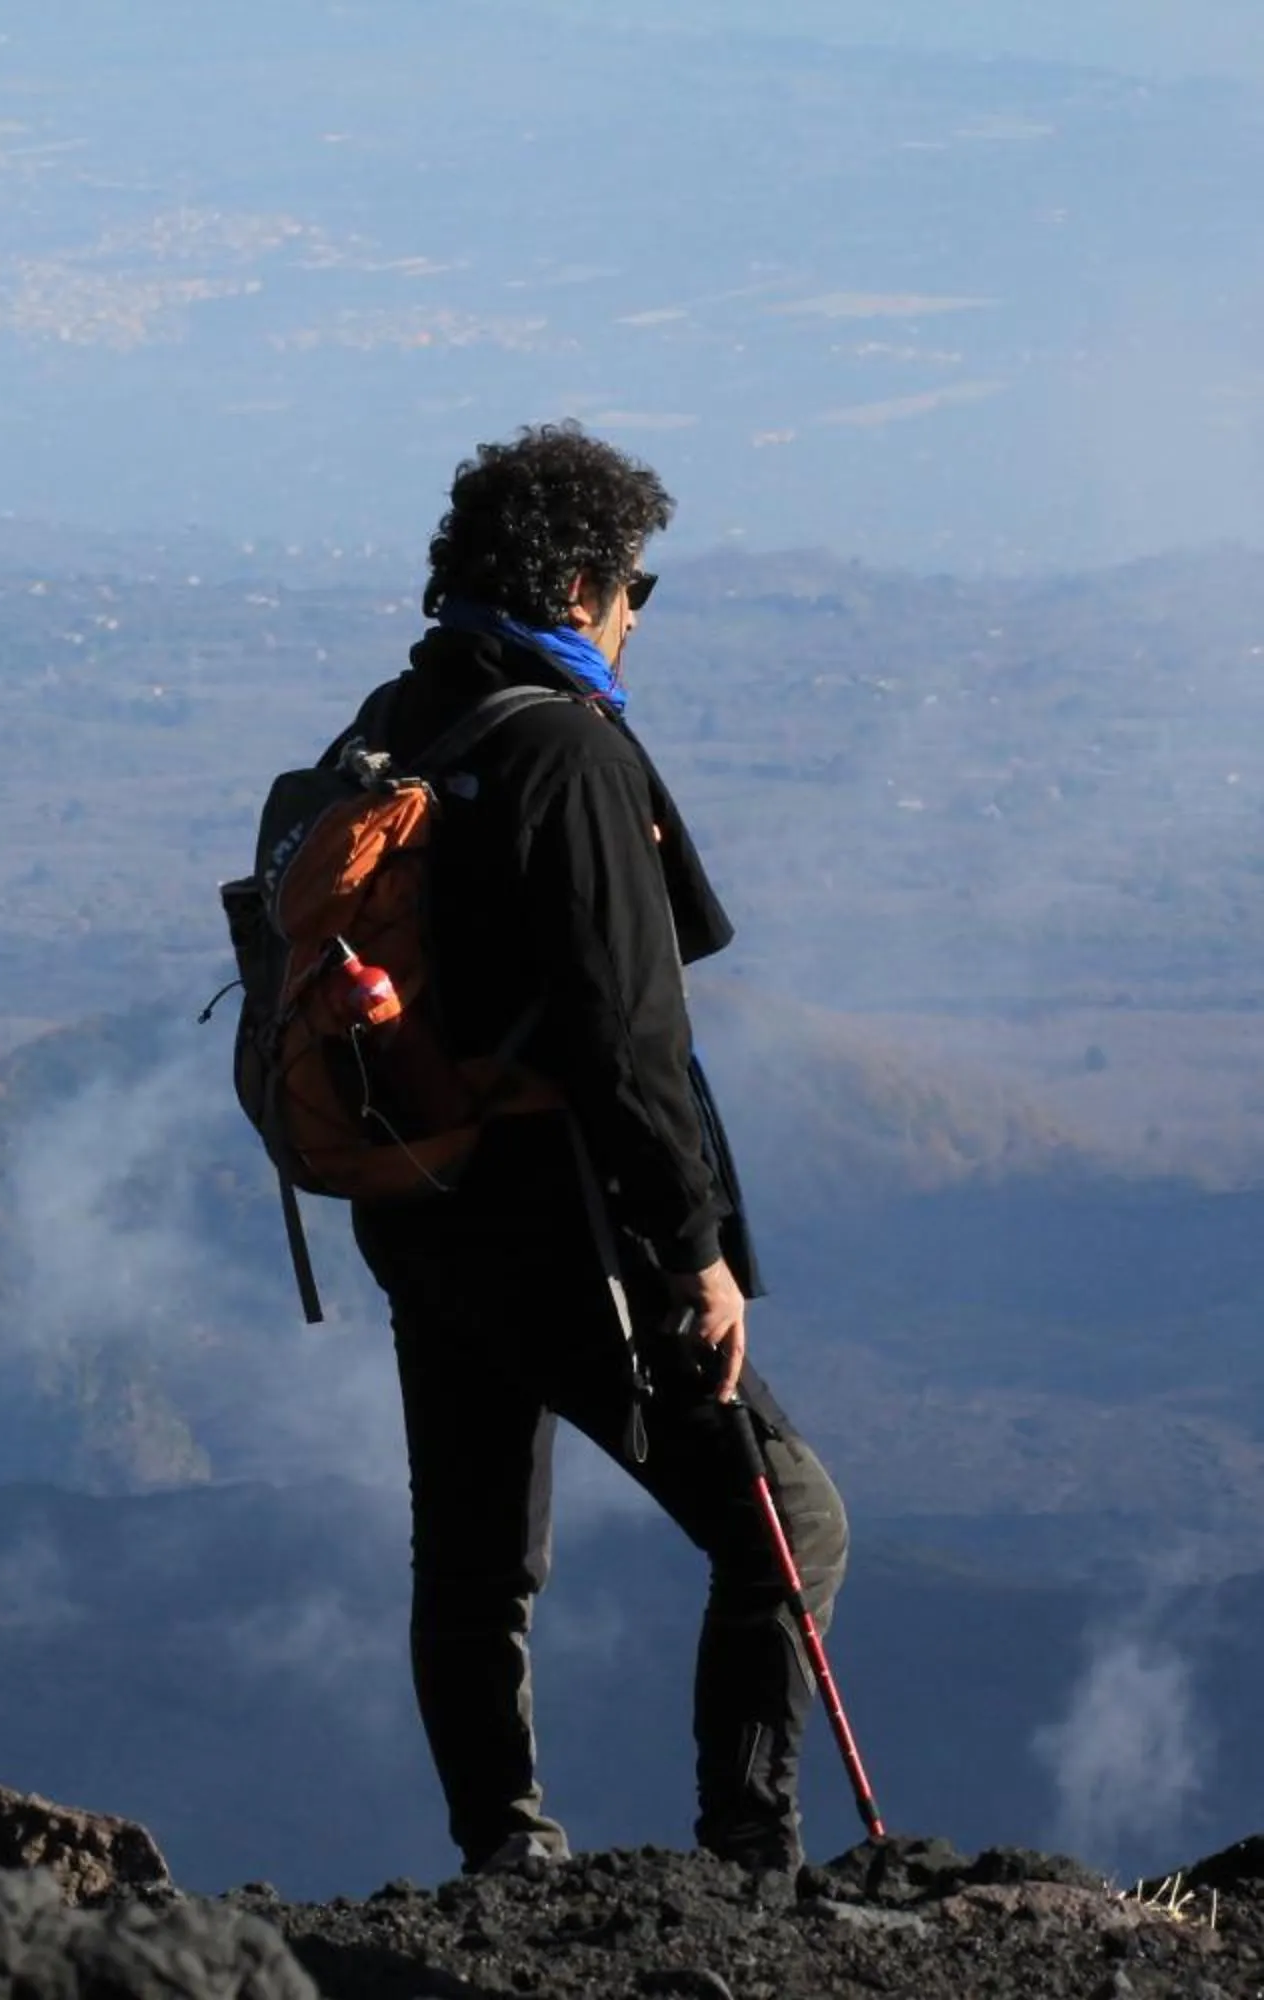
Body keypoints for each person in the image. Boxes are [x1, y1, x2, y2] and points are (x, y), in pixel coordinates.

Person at [347, 422, 849, 1882]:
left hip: (419, 1201)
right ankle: (753, 1857)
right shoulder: (563, 750)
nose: (638, 615)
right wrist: (695, 1253)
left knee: (474, 1558)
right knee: (790, 1525)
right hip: (557, 1222)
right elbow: (630, 1042)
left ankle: (506, 1852)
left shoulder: (403, 716)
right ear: (581, 586)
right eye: (638, 586)